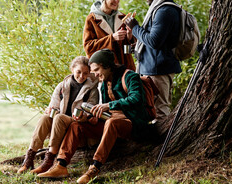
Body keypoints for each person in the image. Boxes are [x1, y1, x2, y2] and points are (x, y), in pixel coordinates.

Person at [37, 49, 150, 184]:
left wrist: (108, 105)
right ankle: (61, 165)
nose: (94, 74)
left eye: (96, 70)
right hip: (111, 120)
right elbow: (106, 112)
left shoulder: (130, 76)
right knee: (77, 124)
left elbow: (137, 98)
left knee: (112, 123)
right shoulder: (104, 82)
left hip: (133, 123)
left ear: (107, 66)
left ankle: (95, 168)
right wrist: (94, 117)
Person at [17, 56, 99, 175]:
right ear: (72, 70)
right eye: (79, 72)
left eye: (86, 73)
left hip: (75, 125)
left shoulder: (92, 89)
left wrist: (83, 116)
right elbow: (54, 105)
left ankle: (49, 161)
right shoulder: (62, 86)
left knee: (60, 117)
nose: (82, 76)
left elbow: (90, 111)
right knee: (45, 118)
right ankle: (29, 159)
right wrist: (50, 110)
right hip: (58, 124)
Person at [124, 0, 181, 125]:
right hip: (153, 68)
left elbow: (154, 41)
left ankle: (164, 147)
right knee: (149, 109)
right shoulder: (159, 8)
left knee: (160, 112)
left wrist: (135, 27)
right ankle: (153, 144)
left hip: (159, 71)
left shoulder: (165, 10)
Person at [83, 0, 136, 71]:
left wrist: (130, 36)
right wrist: (112, 38)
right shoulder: (92, 19)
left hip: (126, 70)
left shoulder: (123, 17)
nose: (116, 0)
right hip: (105, 70)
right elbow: (89, 47)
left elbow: (129, 49)